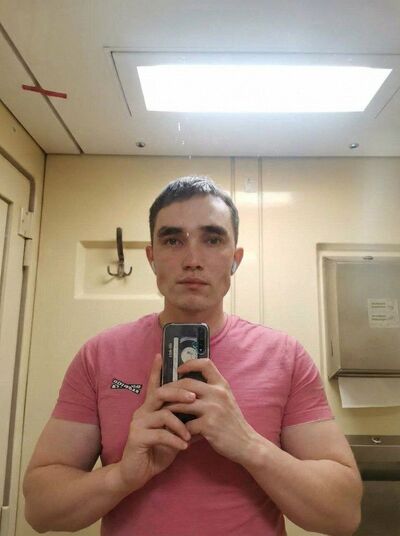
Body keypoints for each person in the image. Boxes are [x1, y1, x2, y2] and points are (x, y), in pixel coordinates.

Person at [24, 176, 362, 536]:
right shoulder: (99, 355)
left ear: (235, 260)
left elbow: (342, 515)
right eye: (173, 240)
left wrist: (248, 445)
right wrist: (122, 476)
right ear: (152, 258)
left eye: (212, 239)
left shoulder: (285, 357)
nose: (193, 260)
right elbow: (41, 511)